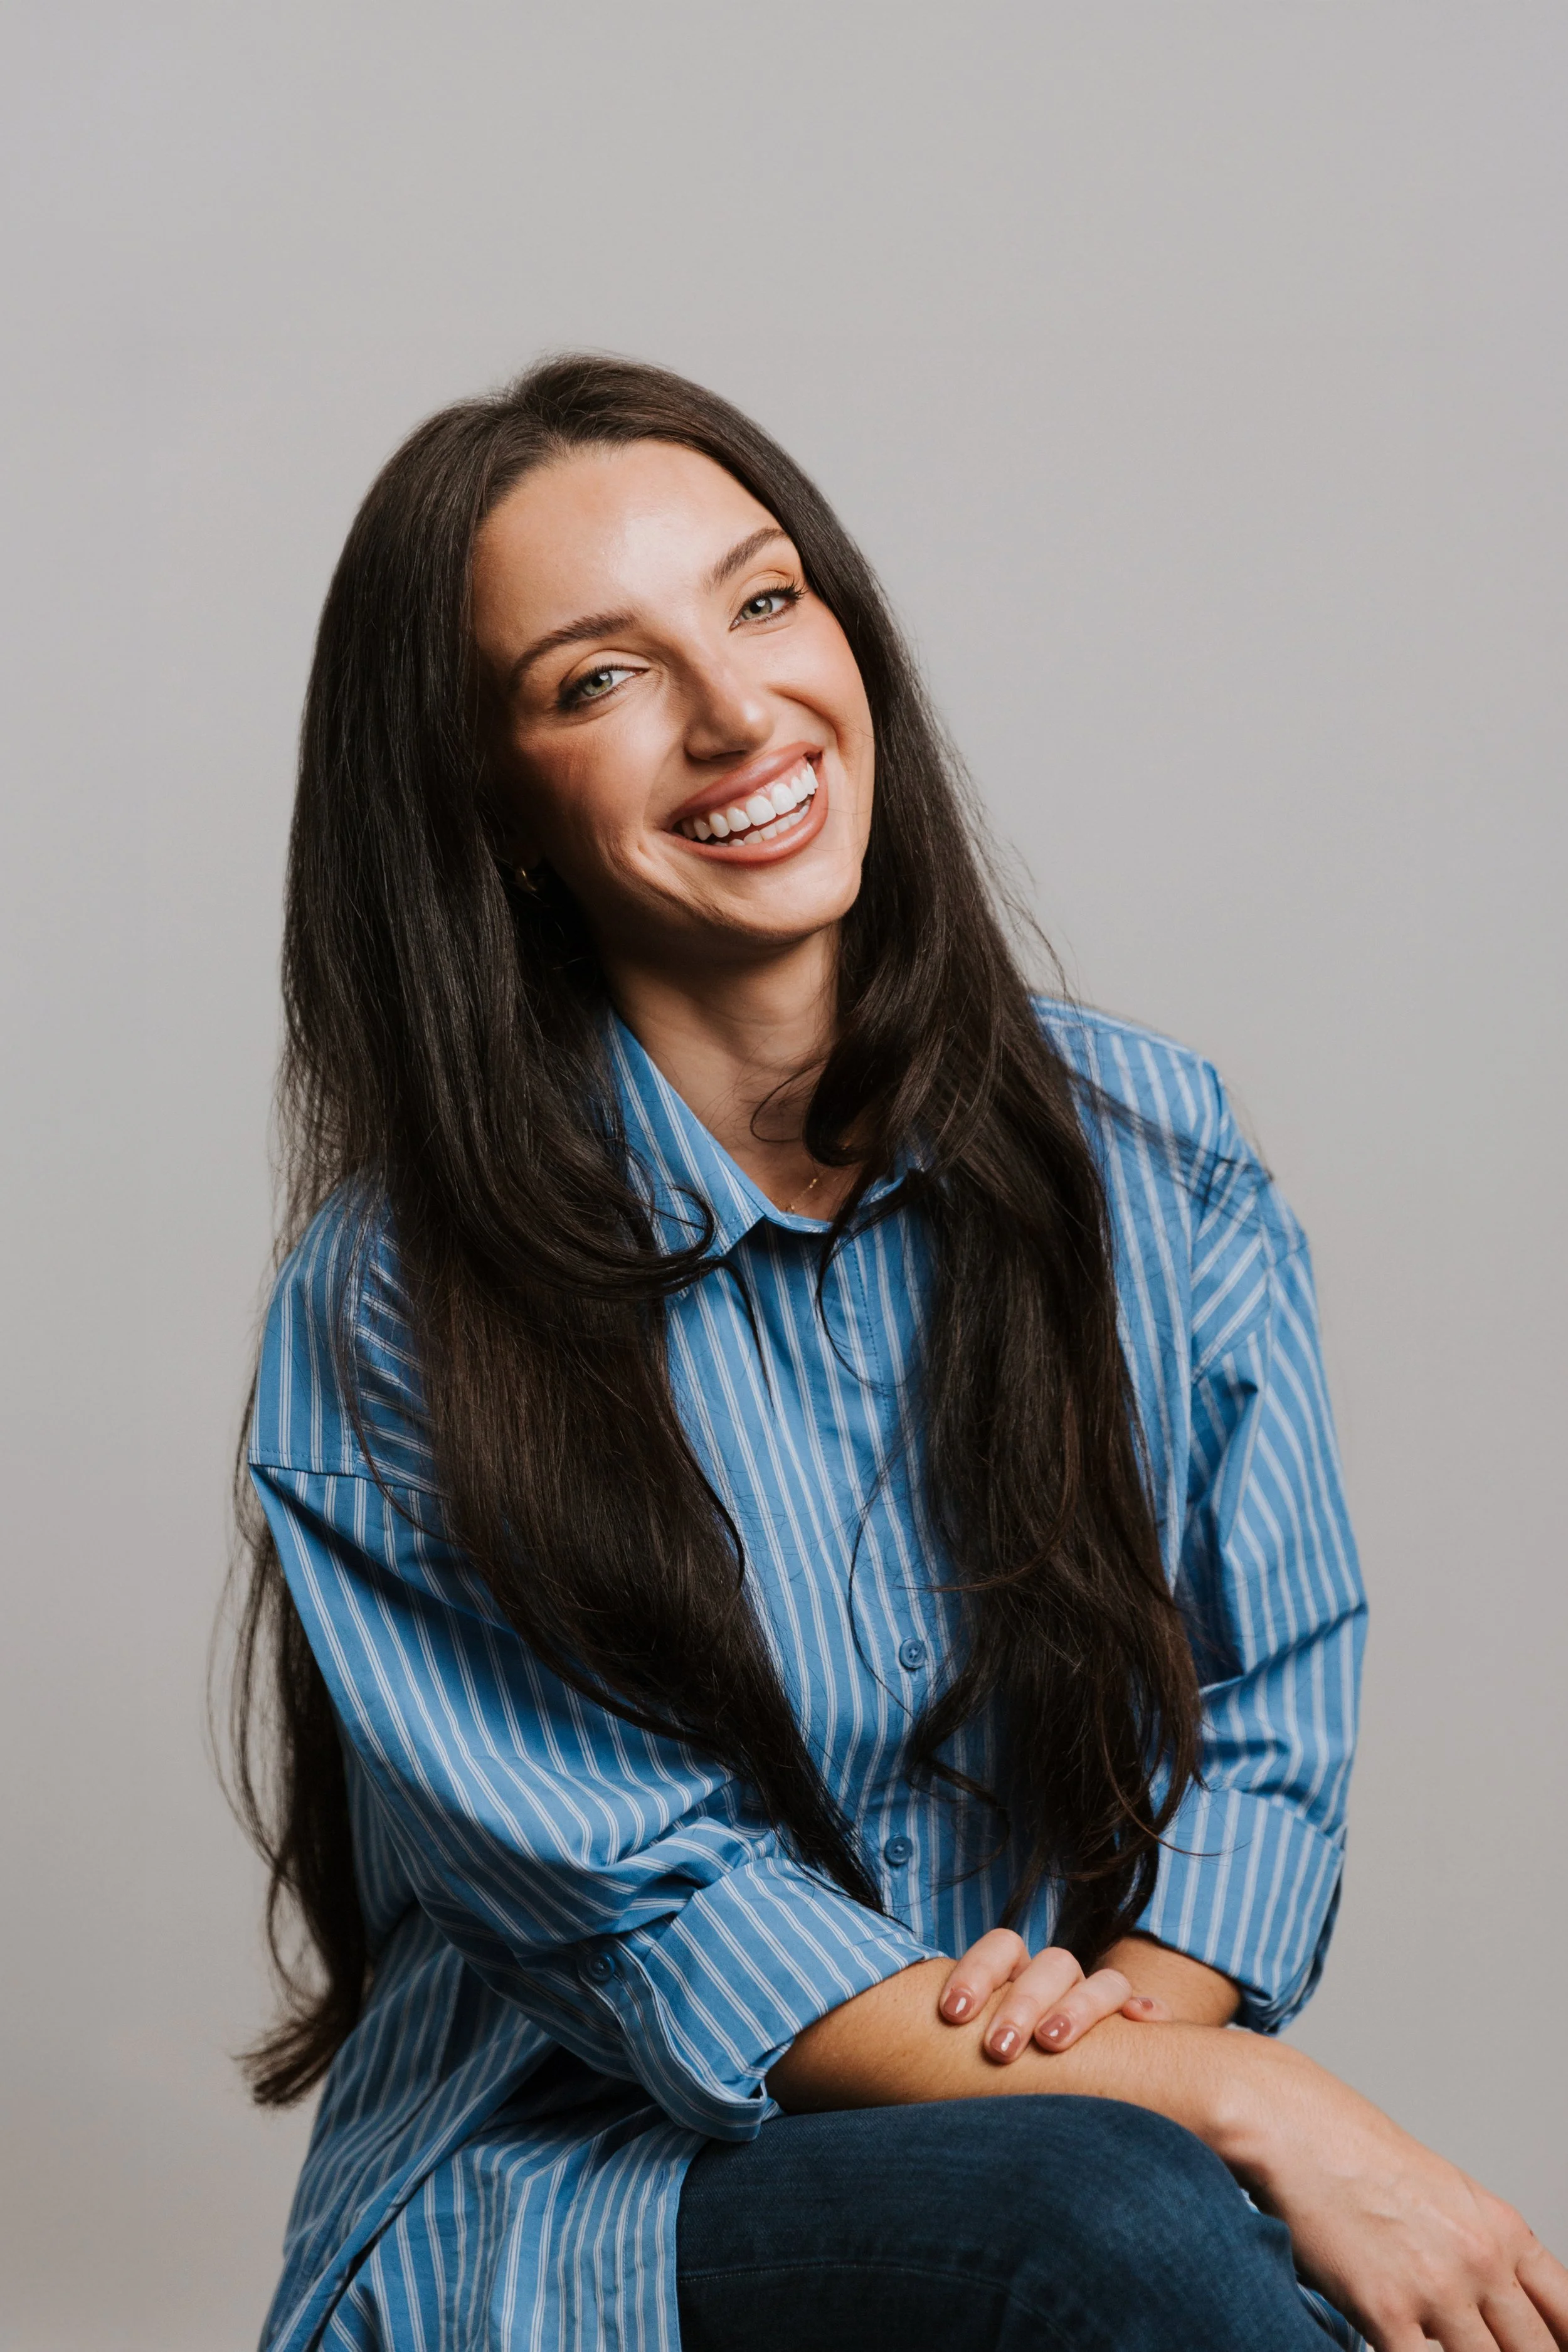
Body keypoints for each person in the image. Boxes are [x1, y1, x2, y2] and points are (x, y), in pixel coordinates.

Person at [232, 354, 1566, 2352]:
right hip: (566, 2210)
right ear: (493, 813)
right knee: (1111, 2212)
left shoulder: (1156, 1158)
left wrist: (1133, 2037)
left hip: (1057, 2137)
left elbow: (1266, 1711)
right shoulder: (395, 1313)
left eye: (764, 599)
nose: (734, 711)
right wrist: (1229, 2097)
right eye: (597, 678)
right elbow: (662, 1917)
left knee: (1138, 2212)